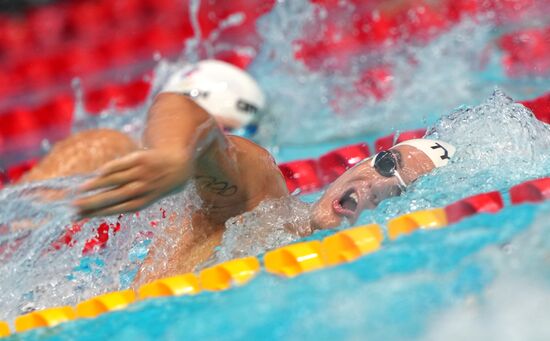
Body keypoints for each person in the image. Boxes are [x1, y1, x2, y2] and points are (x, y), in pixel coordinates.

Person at [19, 59, 455, 284]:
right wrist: (175, 156)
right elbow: (183, 111)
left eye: (398, 194)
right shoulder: (264, 200)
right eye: (386, 164)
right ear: (359, 162)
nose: (377, 187)